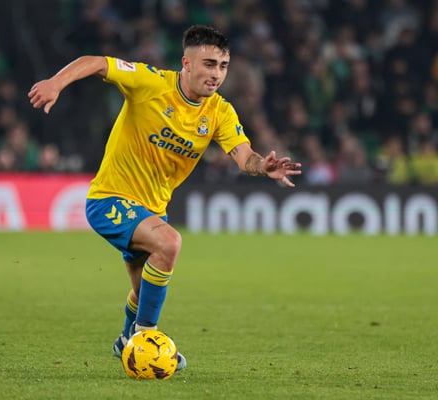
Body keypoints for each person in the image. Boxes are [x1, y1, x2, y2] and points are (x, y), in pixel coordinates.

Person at [28, 25, 301, 372]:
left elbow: (244, 156)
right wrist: (56, 83)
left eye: (223, 66)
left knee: (143, 290)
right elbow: (96, 62)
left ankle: (126, 339)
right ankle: (147, 338)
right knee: (169, 243)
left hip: (152, 209)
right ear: (186, 63)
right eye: (209, 64)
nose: (216, 74)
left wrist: (263, 166)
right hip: (110, 198)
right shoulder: (151, 83)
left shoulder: (219, 112)